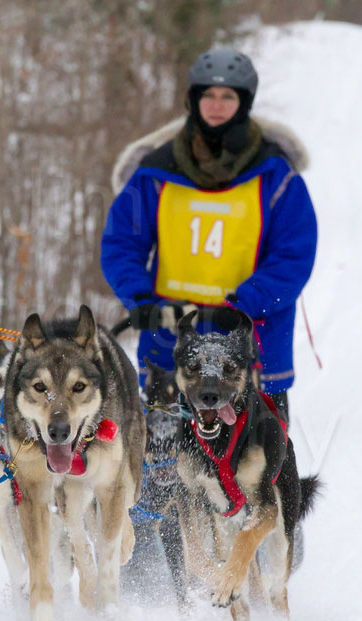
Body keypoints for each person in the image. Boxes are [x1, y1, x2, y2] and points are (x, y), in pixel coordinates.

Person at [100, 47, 317, 418]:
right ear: (193, 100)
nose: (217, 104)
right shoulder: (155, 172)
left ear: (244, 102)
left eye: (228, 96)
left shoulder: (277, 177)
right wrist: (141, 299)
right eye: (208, 95)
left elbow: (293, 257)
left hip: (251, 348)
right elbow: (121, 244)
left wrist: (243, 305)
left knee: (256, 474)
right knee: (161, 471)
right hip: (169, 343)